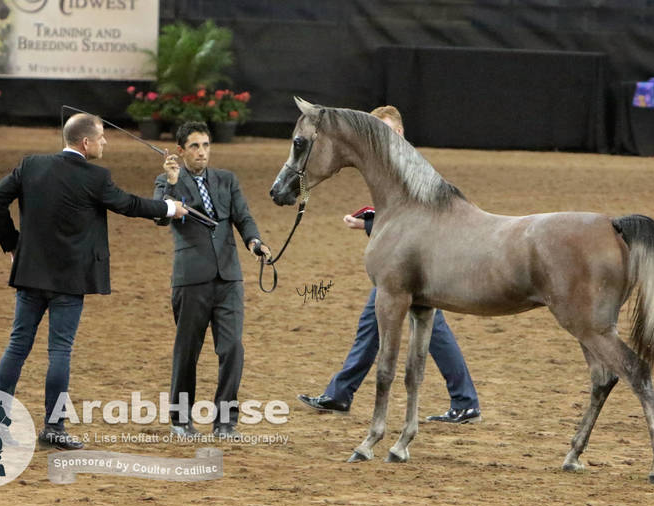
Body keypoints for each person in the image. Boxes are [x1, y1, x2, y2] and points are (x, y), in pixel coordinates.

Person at [0, 113, 189, 450]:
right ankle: (54, 427)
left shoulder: (31, 165)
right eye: (101, 137)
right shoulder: (96, 177)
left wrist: (12, 245)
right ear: (85, 142)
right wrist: (169, 208)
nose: (105, 142)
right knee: (60, 352)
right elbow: (130, 205)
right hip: (69, 280)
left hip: (31, 274)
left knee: (17, 346)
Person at [297, 106, 481, 424]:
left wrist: (365, 226)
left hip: (417, 267)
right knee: (370, 326)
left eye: (381, 131)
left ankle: (465, 400)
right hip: (400, 268)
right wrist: (370, 220)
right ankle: (340, 394)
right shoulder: (394, 171)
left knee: (433, 328)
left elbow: (410, 227)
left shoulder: (412, 170)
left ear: (397, 134)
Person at [154, 121, 271, 439]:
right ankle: (180, 420)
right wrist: (173, 183)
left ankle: (225, 420)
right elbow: (159, 214)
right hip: (191, 280)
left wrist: (254, 241)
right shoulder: (166, 180)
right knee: (187, 351)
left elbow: (243, 216)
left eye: (205, 145)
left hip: (229, 278)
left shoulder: (226, 180)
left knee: (232, 348)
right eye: (194, 146)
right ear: (180, 151)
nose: (201, 152)